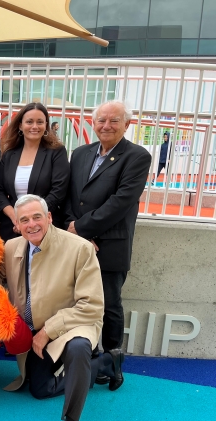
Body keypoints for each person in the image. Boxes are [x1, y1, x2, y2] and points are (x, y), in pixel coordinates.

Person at [0, 194, 124, 421]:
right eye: (24, 220)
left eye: (37, 217)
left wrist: (48, 331)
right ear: (17, 225)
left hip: (73, 324)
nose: (32, 224)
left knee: (79, 347)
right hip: (35, 332)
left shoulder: (79, 248)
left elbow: (92, 306)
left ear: (49, 218)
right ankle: (105, 362)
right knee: (40, 390)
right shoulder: (10, 247)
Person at [64, 100, 151, 385]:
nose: (106, 125)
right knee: (77, 301)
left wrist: (84, 228)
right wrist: (77, 231)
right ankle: (87, 358)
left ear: (127, 124)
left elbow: (121, 202)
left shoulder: (137, 156)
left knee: (110, 303)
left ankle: (113, 362)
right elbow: (69, 197)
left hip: (111, 244)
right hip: (77, 242)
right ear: (93, 122)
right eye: (101, 120)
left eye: (114, 120)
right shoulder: (80, 153)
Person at [0, 102, 70, 241]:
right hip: (12, 227)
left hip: (44, 227)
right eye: (29, 122)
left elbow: (59, 191)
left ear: (46, 125)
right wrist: (16, 218)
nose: (35, 126)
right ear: (20, 125)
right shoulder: (9, 154)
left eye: (40, 122)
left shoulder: (56, 152)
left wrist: (31, 219)